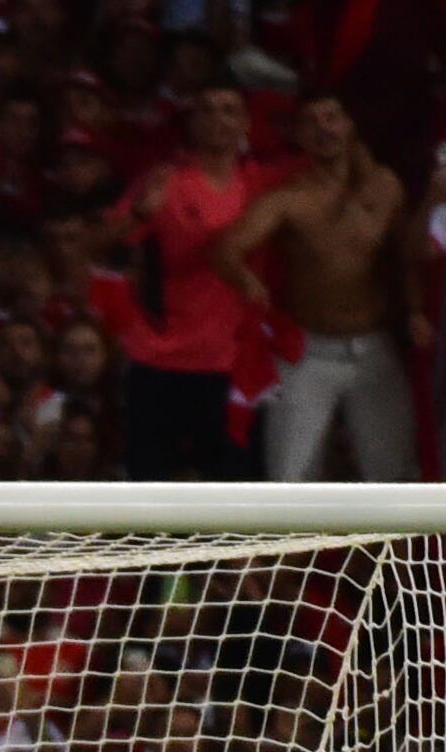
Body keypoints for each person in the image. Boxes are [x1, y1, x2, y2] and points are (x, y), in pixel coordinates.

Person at [211, 93, 422, 482]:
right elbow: (227, 247)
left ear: (349, 125)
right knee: (290, 480)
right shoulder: (288, 199)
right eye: (311, 121)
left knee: (393, 479)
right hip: (309, 353)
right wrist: (245, 280)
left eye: (332, 117)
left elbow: (409, 256)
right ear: (299, 135)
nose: (324, 128)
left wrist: (417, 311)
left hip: (375, 348)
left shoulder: (385, 186)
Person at [108, 86, 259, 481]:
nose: (217, 119)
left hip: (232, 364)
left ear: (245, 123)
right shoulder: (165, 181)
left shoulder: (260, 185)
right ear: (192, 123)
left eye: (229, 110)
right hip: (160, 359)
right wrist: (141, 212)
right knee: (149, 492)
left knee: (231, 492)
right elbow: (100, 244)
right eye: (207, 110)